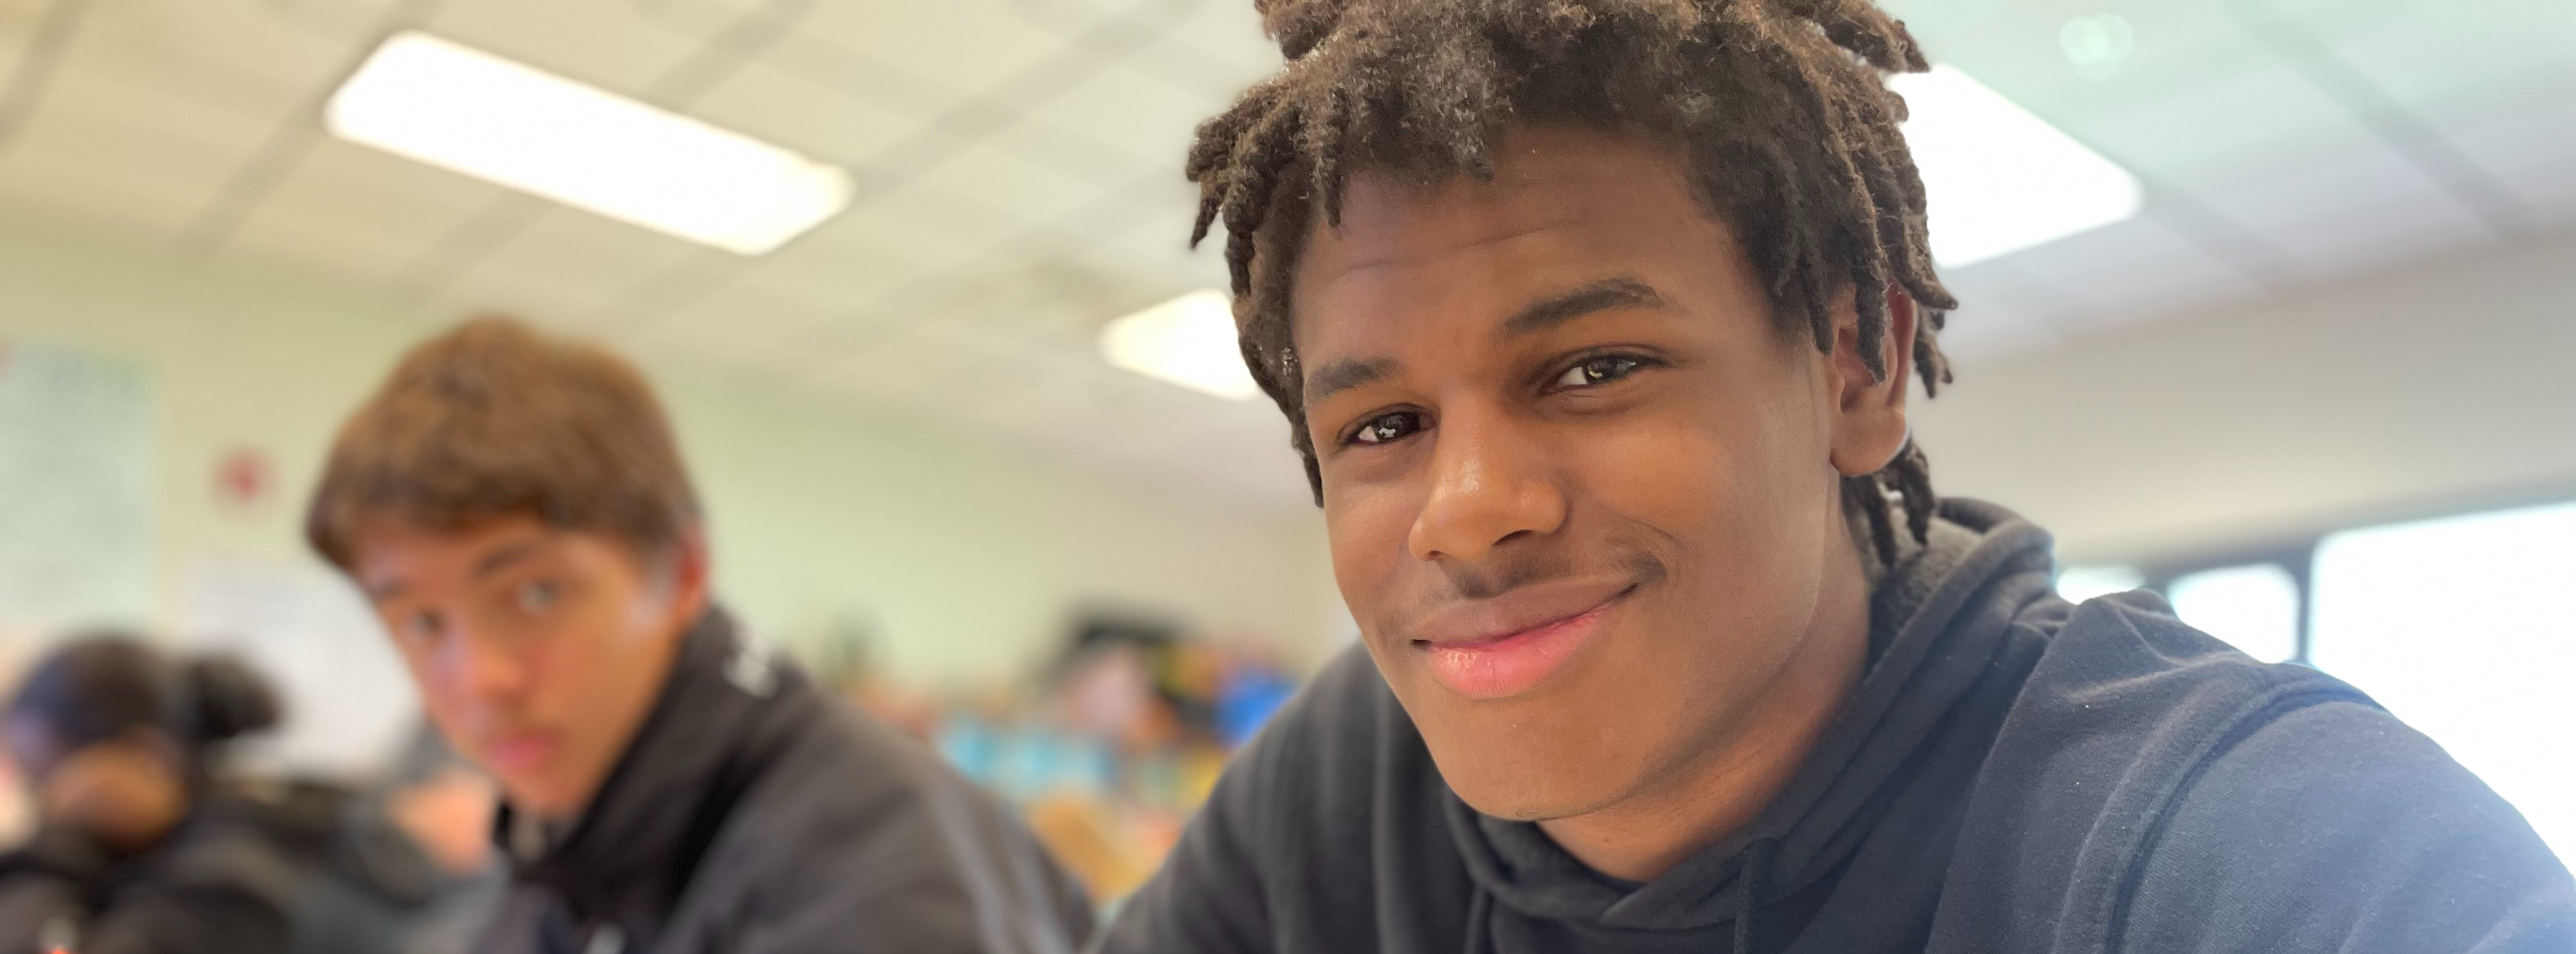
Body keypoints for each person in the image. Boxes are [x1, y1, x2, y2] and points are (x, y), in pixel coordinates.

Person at [1092, 1, 2576, 952]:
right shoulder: (1357, 785)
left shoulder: (2245, 842)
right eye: (1381, 426)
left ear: (1856, 365)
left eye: (1595, 368)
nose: (1468, 505)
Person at [303, 318, 1093, 954]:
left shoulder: (879, 876)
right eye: (419, 621)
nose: (480, 679)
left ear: (682, 572)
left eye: (535, 593)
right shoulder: (583, 827)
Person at [0, 637, 442, 954]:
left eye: (45, 775)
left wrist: (65, 840)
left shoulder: (226, 884)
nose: (40, 800)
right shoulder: (256, 823)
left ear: (145, 755)